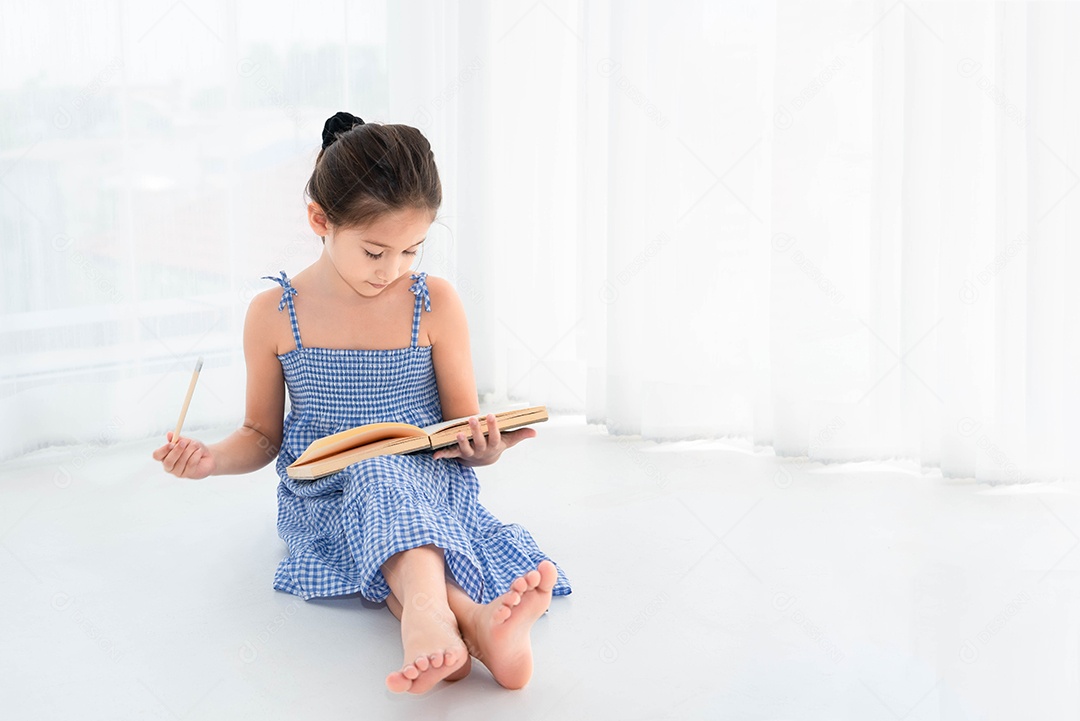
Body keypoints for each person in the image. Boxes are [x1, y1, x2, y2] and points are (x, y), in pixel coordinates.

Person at [152, 111, 571, 695]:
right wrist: (212, 460)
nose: (392, 270)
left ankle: (443, 623)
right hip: (322, 494)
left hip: (427, 485)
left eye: (412, 251)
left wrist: (484, 451)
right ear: (320, 220)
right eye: (375, 252)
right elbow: (260, 434)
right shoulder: (274, 313)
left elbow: (458, 424)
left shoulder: (434, 303)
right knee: (372, 476)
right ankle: (466, 620)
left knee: (385, 474)